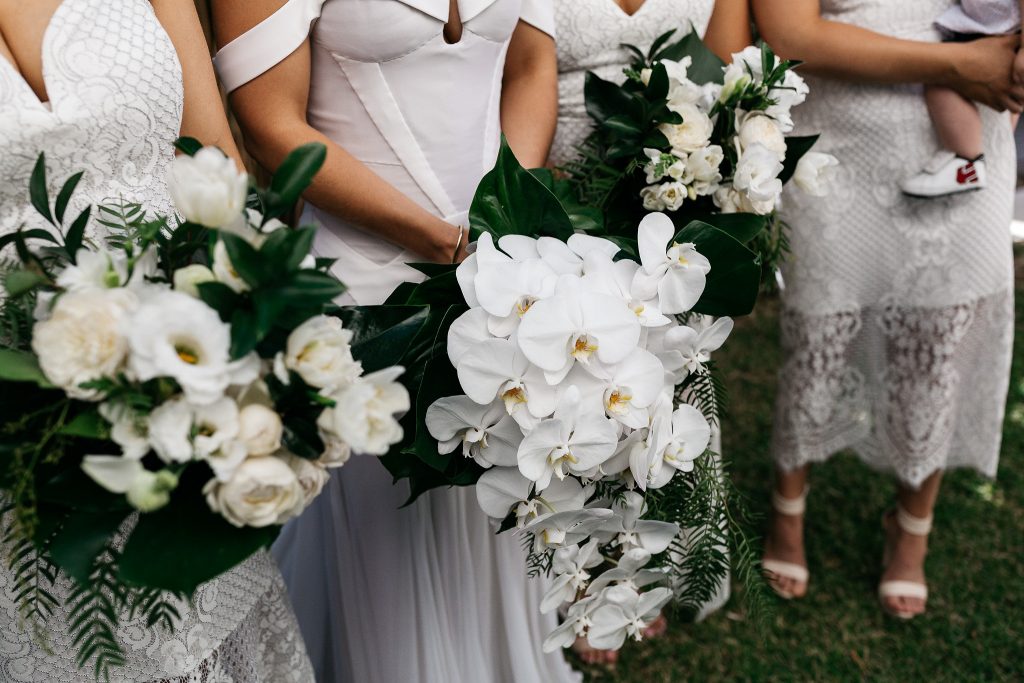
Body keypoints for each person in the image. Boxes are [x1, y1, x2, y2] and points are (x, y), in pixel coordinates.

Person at [209, 1, 580, 681]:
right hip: (357, 293)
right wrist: (443, 242)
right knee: (383, 541)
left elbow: (529, 67)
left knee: (489, 500)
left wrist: (505, 222)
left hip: (497, 278)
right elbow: (269, 124)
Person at [0, 0, 313, 679]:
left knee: (192, 621)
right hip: (15, 422)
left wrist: (261, 343)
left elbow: (215, 164)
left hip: (186, 371)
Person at [753, 0, 1019, 620]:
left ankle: (912, 526)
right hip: (841, 137)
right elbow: (791, 32)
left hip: (967, 139)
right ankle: (788, 507)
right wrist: (960, 62)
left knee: (939, 337)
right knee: (819, 331)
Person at [548, 0, 752, 665]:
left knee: (659, 391)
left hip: (668, 200)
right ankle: (570, 574)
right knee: (573, 389)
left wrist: (714, 172)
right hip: (559, 190)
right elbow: (506, 69)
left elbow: (728, 84)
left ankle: (636, 569)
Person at [900, 0, 1023, 198]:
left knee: (940, 82)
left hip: (993, 28)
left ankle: (967, 161)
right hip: (990, 24)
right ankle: (981, 159)